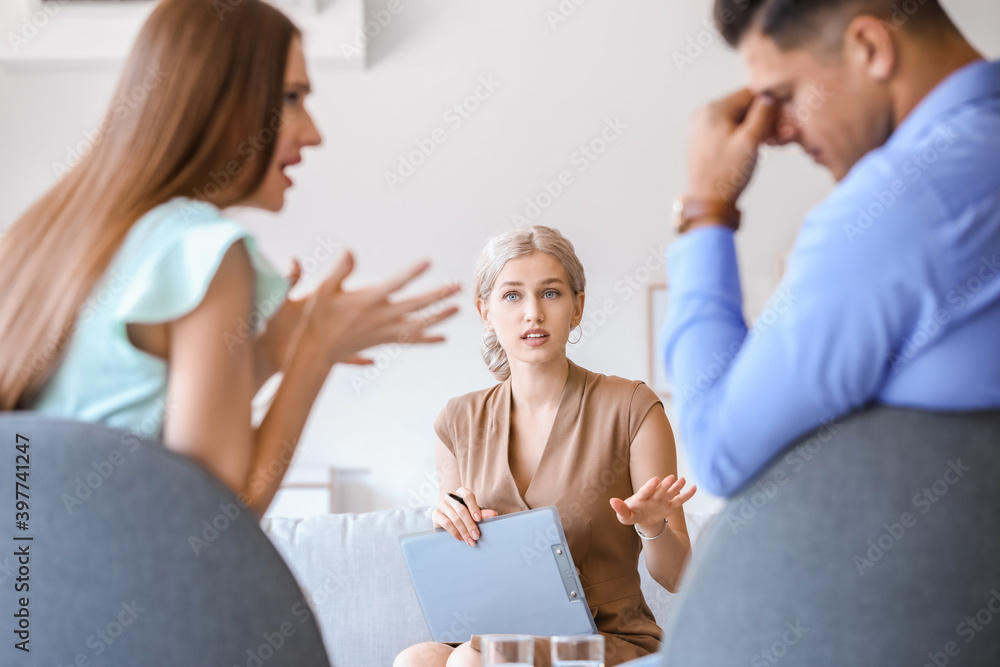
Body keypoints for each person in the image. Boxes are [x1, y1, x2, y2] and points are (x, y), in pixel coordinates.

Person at [0, 0, 458, 516]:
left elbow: (139, 436)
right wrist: (315, 349)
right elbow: (213, 520)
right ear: (216, 99)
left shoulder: (44, 234)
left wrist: (268, 353)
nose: (313, 133)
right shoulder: (201, 247)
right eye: (289, 97)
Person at [662, 0, 1000, 497]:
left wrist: (707, 209)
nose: (779, 131)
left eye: (785, 95)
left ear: (870, 48)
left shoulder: (901, 204)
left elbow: (717, 450)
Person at [395, 226, 696, 667]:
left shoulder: (632, 407)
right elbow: (465, 567)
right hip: (493, 634)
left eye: (551, 294)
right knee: (417, 658)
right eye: (512, 296)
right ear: (485, 310)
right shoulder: (457, 421)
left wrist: (652, 527)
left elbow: (679, 577)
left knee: (472, 661)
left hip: (604, 638)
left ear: (577, 307)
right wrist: (449, 523)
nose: (532, 313)